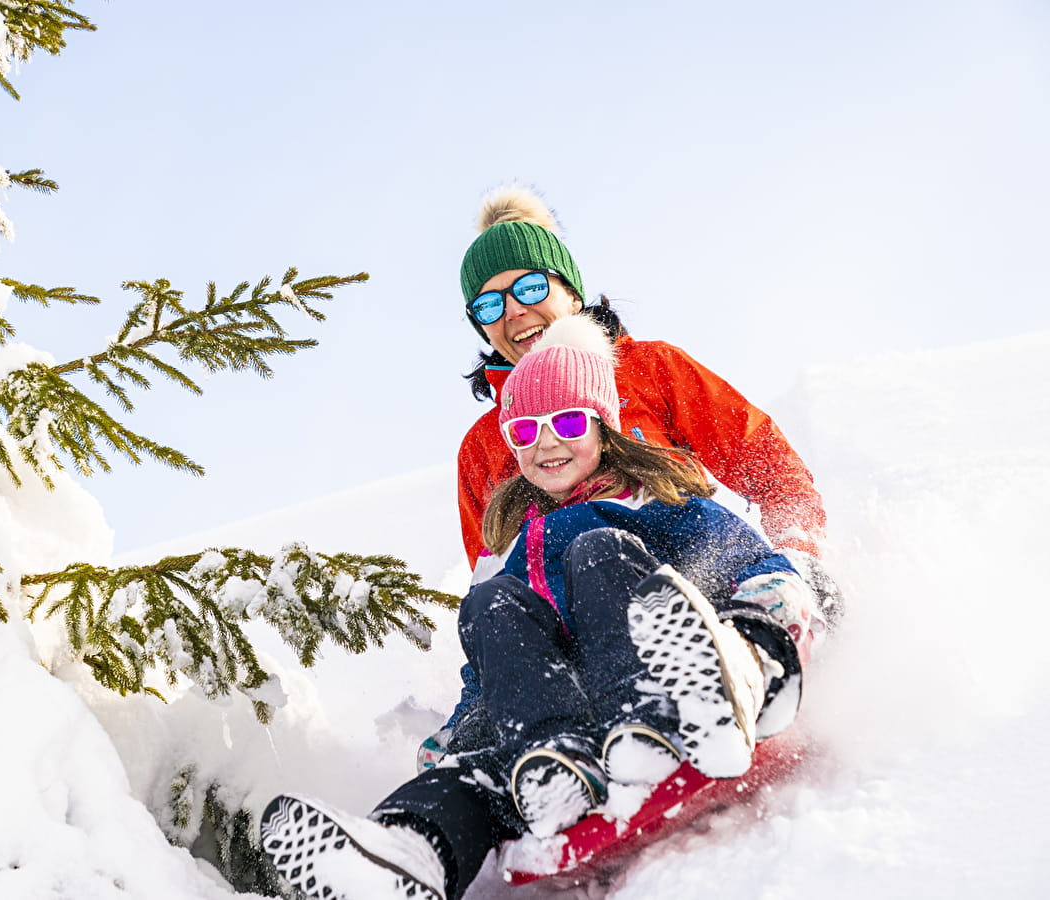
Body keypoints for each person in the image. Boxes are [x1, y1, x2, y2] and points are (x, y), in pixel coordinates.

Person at [259, 317, 821, 900]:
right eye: (524, 431)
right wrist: (463, 726)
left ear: (607, 426)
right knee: (488, 605)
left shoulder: (649, 500)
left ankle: (678, 710)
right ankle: (412, 847)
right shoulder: (512, 543)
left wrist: (773, 601)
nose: (546, 442)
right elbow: (493, 665)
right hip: (555, 725)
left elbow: (736, 553)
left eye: (569, 421)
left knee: (598, 551)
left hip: (662, 677)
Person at [453, 187, 835, 613]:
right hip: (585, 642)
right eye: (488, 305)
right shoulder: (484, 447)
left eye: (530, 287)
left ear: (571, 293)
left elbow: (768, 466)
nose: (513, 311)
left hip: (700, 603)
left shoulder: (651, 370)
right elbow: (499, 581)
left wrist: (796, 561)